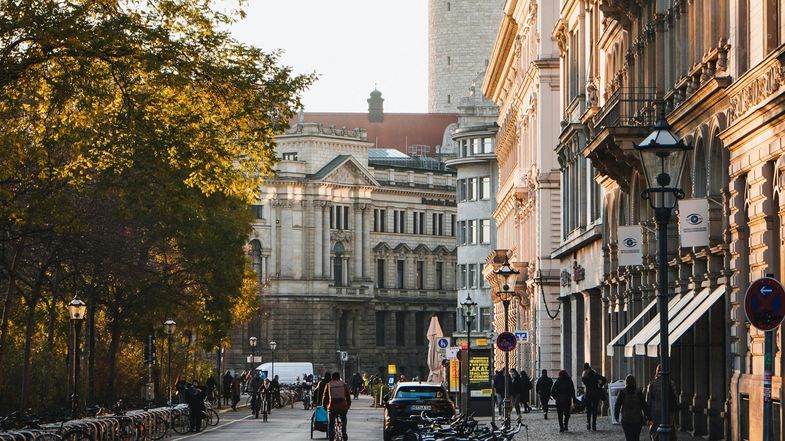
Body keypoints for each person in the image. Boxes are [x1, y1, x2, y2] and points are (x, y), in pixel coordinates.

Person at [645, 364, 678, 441]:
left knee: (655, 430)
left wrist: (647, 415)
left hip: (655, 410)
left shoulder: (652, 384)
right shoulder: (671, 383)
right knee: (668, 430)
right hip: (668, 411)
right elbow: (675, 398)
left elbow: (648, 401)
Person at [614, 375, 650, 441]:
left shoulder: (622, 392)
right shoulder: (638, 392)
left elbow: (617, 405)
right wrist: (648, 416)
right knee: (636, 437)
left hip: (626, 419)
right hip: (637, 419)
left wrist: (616, 415)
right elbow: (644, 405)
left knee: (629, 437)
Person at [323, 372, 351, 441]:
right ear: (339, 377)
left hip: (332, 407)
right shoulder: (344, 385)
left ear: (332, 378)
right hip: (342, 407)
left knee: (331, 424)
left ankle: (331, 437)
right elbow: (348, 397)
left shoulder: (328, 385)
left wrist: (325, 407)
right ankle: (344, 433)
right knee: (344, 420)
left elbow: (325, 397)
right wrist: (348, 406)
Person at [581, 362, 607, 431]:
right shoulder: (594, 374)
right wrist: (600, 385)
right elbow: (604, 379)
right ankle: (594, 425)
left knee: (588, 409)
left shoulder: (584, 375)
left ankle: (588, 424)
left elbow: (584, 383)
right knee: (594, 409)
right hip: (596, 393)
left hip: (588, 393)